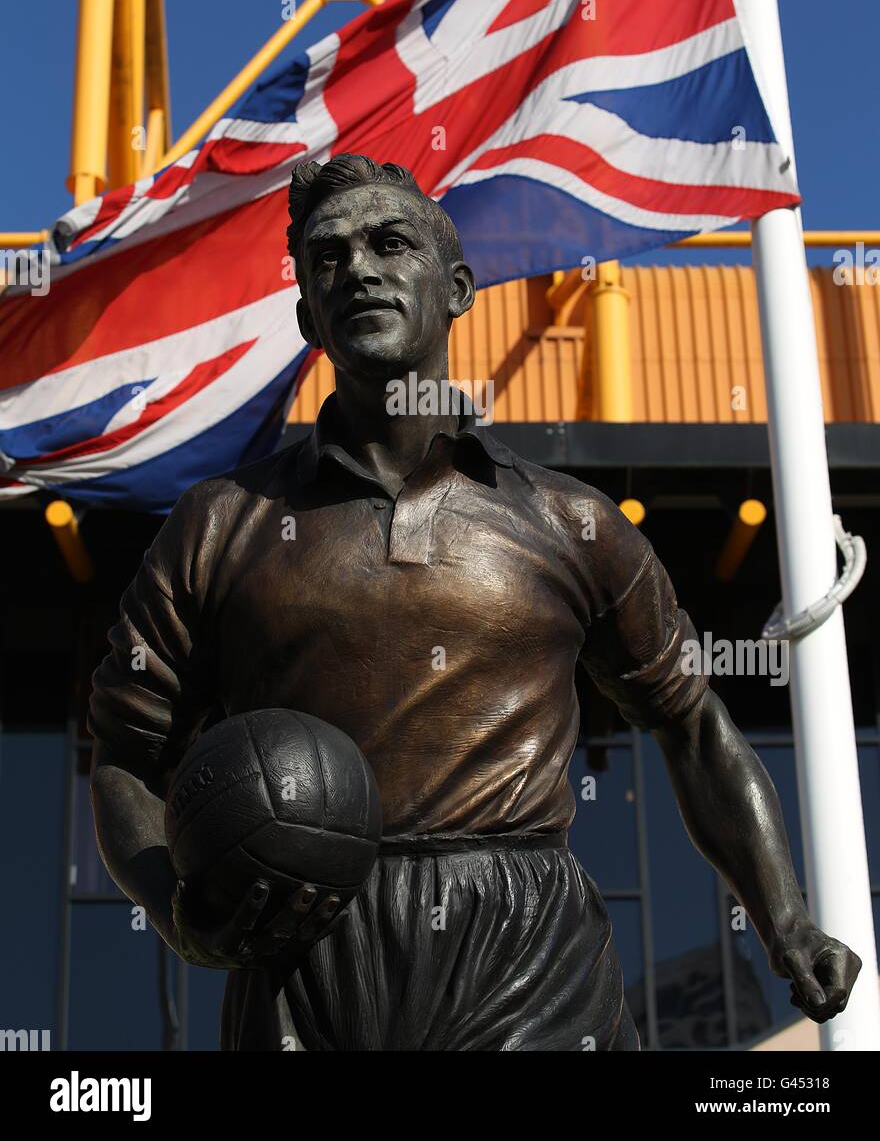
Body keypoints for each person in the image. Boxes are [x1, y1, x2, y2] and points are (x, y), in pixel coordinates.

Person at [90, 153, 860, 1051]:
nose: (359, 269)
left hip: (530, 955)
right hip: (307, 960)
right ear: (308, 315)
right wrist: (177, 907)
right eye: (328, 257)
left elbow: (692, 726)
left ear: (457, 288)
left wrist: (786, 920)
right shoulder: (220, 523)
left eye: (389, 243)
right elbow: (122, 761)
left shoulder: (573, 522)